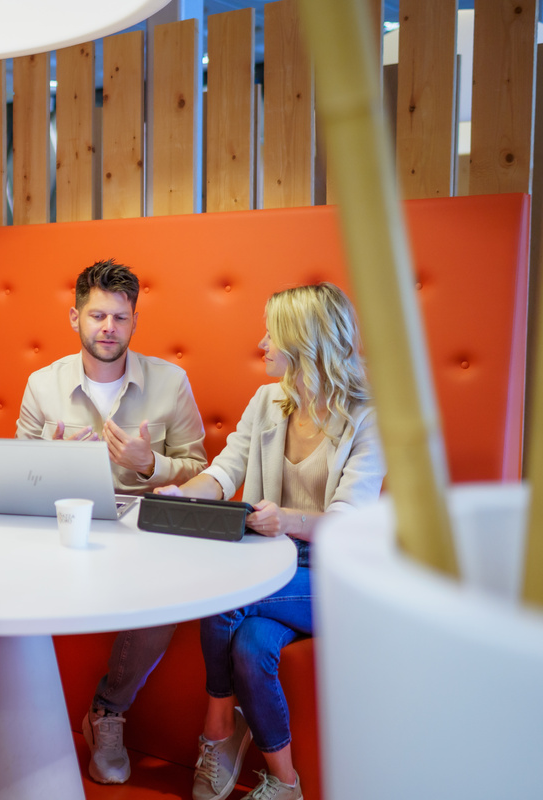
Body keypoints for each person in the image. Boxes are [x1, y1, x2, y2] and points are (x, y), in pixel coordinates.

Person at [156, 282, 385, 800]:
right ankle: (285, 783)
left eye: (271, 334)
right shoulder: (267, 401)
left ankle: (217, 722)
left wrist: (287, 520)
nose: (261, 343)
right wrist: (184, 494)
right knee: (252, 644)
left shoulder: (370, 417)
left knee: (226, 593)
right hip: (273, 561)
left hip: (337, 576)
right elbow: (223, 471)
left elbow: (350, 520)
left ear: (305, 344)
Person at [16, 258, 207, 785]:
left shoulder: (171, 382)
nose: (108, 328)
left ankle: (107, 712)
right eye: (97, 316)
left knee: (168, 592)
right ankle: (13, 723)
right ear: (74, 317)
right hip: (63, 521)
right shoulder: (42, 383)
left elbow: (201, 468)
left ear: (134, 321)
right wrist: (49, 463)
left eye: (120, 318)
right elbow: (17, 472)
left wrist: (149, 462)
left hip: (142, 525)